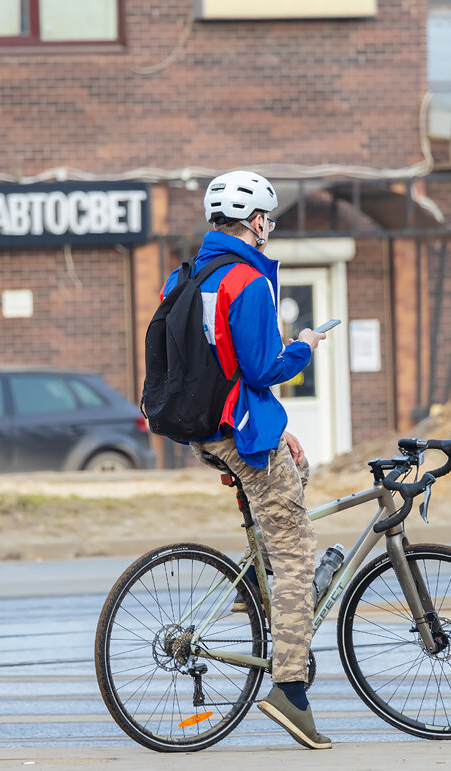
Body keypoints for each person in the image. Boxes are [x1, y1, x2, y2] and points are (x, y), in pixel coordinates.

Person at [163, 170, 331, 750]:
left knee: (294, 477)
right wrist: (304, 348)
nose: (269, 230)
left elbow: (214, 365)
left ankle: (252, 587)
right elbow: (262, 370)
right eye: (269, 220)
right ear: (254, 222)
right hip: (241, 433)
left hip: (206, 429)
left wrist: (278, 429)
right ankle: (289, 689)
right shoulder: (248, 282)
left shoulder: (183, 278)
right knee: (297, 557)